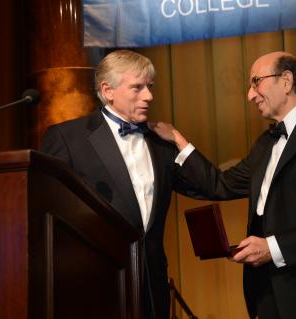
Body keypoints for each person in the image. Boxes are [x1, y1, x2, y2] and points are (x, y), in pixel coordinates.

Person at [153, 51, 296, 318]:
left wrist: (273, 248)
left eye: (256, 82)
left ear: (286, 81)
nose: (250, 95)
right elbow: (220, 184)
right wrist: (177, 141)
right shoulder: (265, 144)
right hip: (266, 295)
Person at [40, 49, 199, 319]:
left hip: (154, 285)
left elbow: (206, 186)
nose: (148, 96)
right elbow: (51, 212)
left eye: (150, 87)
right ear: (108, 90)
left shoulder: (161, 140)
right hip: (96, 286)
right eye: (137, 87)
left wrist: (180, 141)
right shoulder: (67, 137)